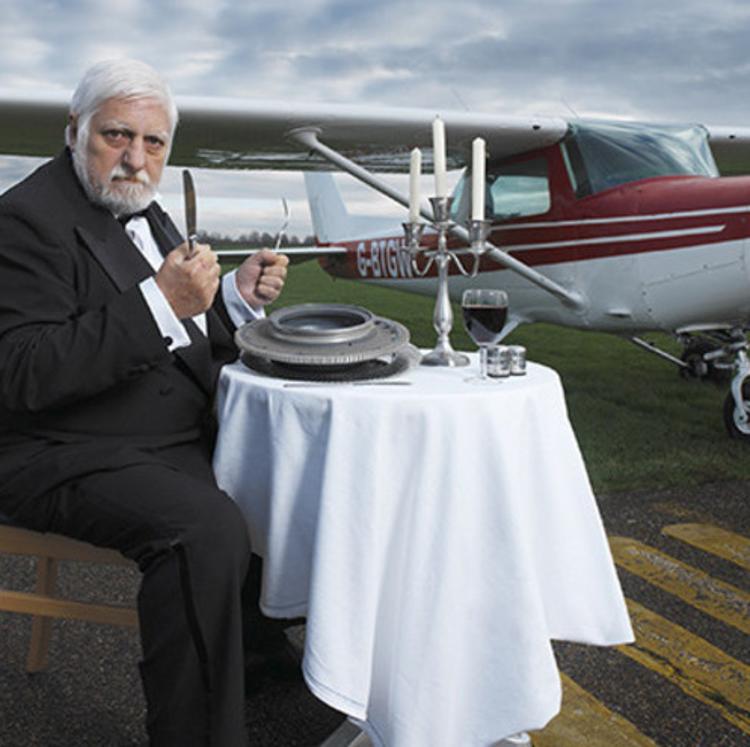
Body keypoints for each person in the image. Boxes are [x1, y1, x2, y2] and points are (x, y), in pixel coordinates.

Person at [0, 59, 291, 746]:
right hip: (58, 449)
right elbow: (21, 373)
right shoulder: (21, 221)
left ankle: (266, 675)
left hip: (156, 434)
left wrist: (235, 299)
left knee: (292, 476)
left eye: (153, 143)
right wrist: (161, 299)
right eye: (116, 136)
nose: (135, 158)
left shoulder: (148, 211)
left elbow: (182, 328)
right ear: (75, 131)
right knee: (206, 528)